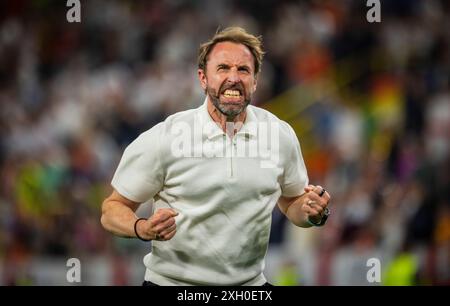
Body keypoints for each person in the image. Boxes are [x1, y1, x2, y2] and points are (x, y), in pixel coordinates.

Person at [100, 27, 331, 286]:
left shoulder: (280, 135)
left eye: (243, 70)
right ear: (203, 78)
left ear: (255, 81)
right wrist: (141, 228)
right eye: (223, 68)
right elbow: (112, 209)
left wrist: (312, 212)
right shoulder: (165, 137)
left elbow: (292, 204)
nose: (233, 78)